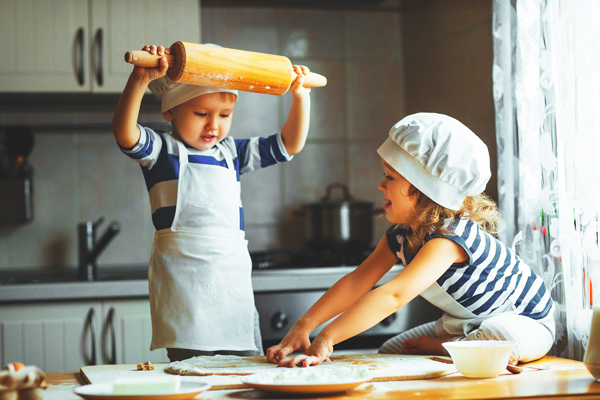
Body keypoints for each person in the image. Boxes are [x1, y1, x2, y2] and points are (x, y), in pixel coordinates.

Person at [266, 113, 555, 367]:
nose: (380, 185)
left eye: (389, 177)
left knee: (498, 337)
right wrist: (304, 326)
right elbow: (357, 281)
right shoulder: (400, 235)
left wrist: (327, 339)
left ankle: (454, 348)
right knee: (390, 351)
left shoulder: (450, 237)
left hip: (526, 323)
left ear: (424, 189)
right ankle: (458, 346)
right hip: (463, 326)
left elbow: (395, 295)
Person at [112, 44, 311, 361]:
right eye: (201, 114)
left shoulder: (232, 152)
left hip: (232, 290)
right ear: (170, 111)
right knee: (194, 378)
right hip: (185, 293)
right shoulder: (162, 151)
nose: (213, 125)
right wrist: (139, 80)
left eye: (225, 115)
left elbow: (290, 144)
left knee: (244, 378)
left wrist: (300, 98)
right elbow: (125, 134)